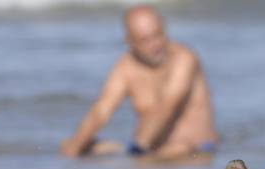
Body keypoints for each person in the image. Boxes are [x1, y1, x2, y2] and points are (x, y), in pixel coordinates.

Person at [59, 5, 218, 160]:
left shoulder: (184, 58)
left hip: (196, 150)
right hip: (147, 149)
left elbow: (166, 107)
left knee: (179, 148)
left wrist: (137, 150)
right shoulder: (125, 66)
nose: (155, 45)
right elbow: (101, 111)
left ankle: (135, 161)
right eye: (145, 40)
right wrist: (75, 148)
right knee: (75, 144)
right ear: (129, 41)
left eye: (158, 35)